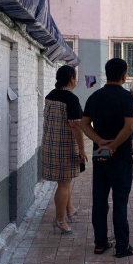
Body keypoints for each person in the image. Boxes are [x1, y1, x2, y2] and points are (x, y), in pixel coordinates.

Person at [80, 58, 133, 257]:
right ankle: (122, 247)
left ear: (106, 74)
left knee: (99, 201)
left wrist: (100, 142)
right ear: (124, 75)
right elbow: (129, 127)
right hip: (121, 157)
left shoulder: (95, 96)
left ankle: (100, 243)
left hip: (100, 157)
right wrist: (113, 146)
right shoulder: (127, 98)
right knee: (120, 201)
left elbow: (84, 124)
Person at [41, 65, 87, 235]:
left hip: (50, 144)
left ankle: (70, 209)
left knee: (65, 180)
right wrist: (82, 148)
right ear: (71, 79)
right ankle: (59, 220)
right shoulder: (71, 99)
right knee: (64, 183)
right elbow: (75, 126)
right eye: (75, 77)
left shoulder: (50, 96)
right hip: (65, 146)